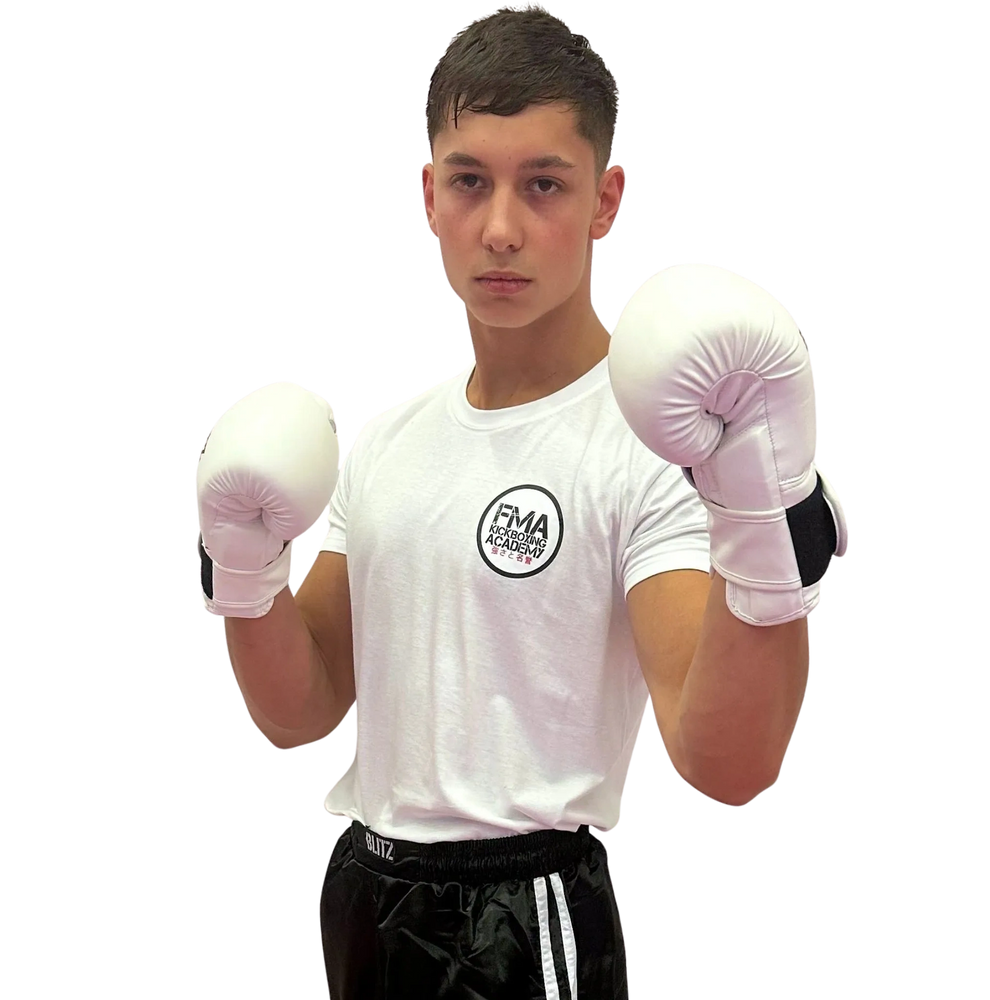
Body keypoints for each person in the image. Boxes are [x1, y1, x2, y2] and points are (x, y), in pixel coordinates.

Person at [192, 4, 851, 998]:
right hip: (361, 888)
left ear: (607, 200)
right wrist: (239, 568)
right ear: (427, 195)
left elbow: (730, 764)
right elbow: (303, 707)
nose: (501, 227)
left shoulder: (656, 447)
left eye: (544, 184)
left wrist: (764, 524)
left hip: (526, 904)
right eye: (470, 181)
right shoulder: (386, 440)